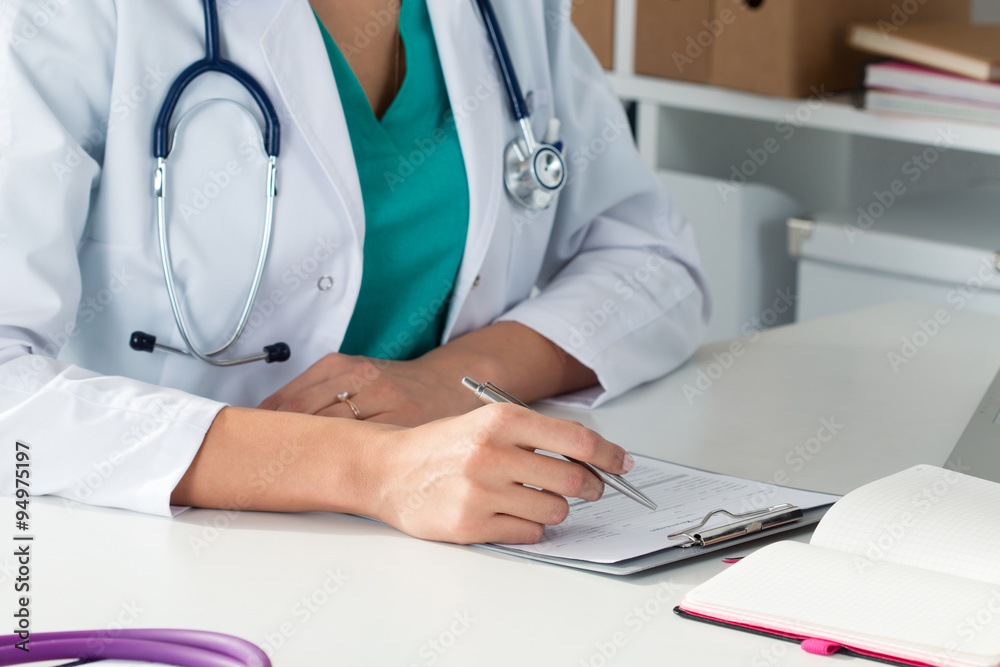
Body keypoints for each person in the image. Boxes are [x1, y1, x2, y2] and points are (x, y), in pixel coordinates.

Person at [0, 0, 709, 544]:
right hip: (156, 546)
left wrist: (447, 382)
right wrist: (367, 467)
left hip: (446, 543)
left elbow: (650, 254)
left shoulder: (505, 13)